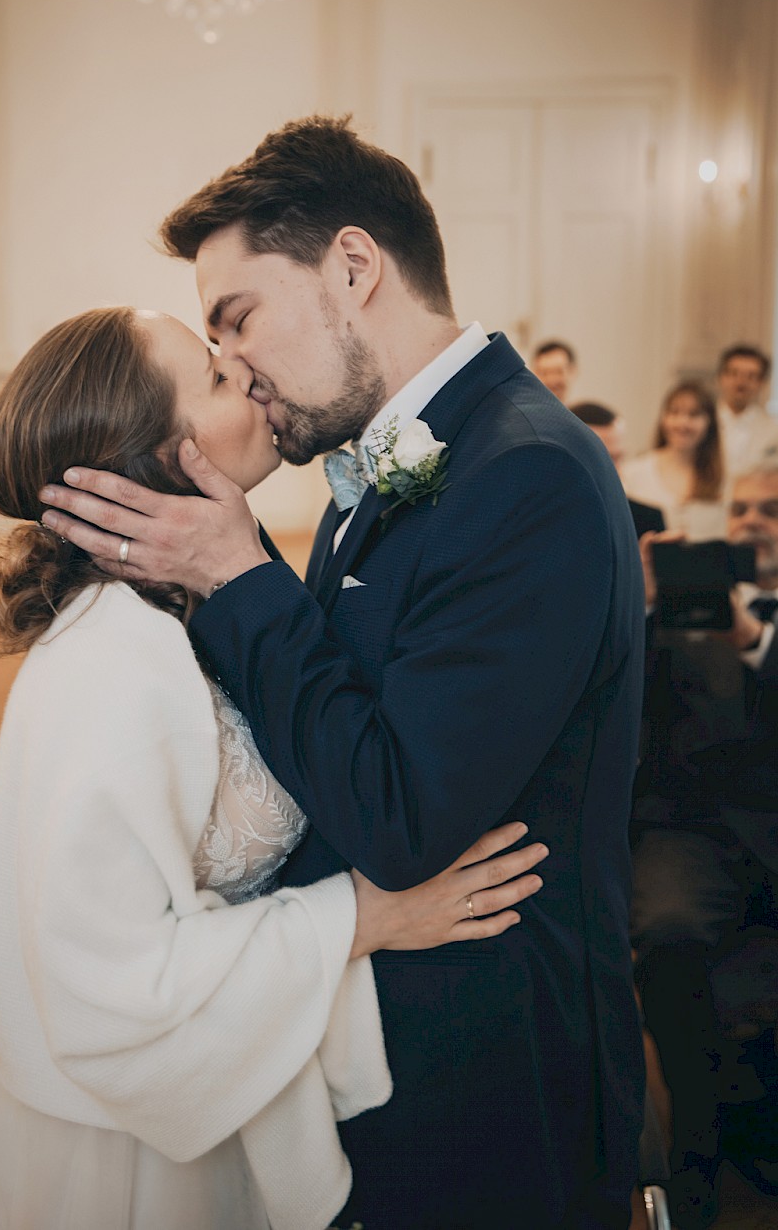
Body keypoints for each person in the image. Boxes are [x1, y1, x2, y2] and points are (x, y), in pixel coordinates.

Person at [40, 117, 648, 1230]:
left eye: (239, 320)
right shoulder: (390, 462)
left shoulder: (528, 477)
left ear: (353, 267)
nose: (235, 366)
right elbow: (325, 723)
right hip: (384, 1059)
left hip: (496, 1082)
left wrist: (235, 574)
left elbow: (400, 815)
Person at [0, 305, 545, 1230]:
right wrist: (366, 915)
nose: (250, 375)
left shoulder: (182, 610)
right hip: (121, 1160)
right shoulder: (119, 657)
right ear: (153, 457)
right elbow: (106, 988)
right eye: (219, 377)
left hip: (198, 1104)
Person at [632, 465, 778, 1227]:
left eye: (773, 509)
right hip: (696, 827)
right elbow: (631, 704)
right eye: (744, 508)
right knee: (669, 931)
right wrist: (646, 602)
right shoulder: (685, 606)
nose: (754, 521)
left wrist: (757, 642)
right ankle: (693, 1161)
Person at [619, 381, 727, 541]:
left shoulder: (725, 479)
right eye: (674, 413)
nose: (682, 423)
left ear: (710, 422)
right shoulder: (633, 472)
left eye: (694, 414)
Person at [570, 401, 666, 537]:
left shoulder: (647, 522)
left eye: (618, 458)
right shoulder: (542, 517)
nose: (618, 471)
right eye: (606, 459)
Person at [716, 343, 778, 480]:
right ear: (721, 377)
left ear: (762, 382)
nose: (741, 382)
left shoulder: (773, 430)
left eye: (751, 376)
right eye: (734, 373)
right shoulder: (703, 423)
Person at [531, 338, 577, 403]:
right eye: (544, 373)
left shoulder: (583, 412)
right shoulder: (521, 412)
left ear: (572, 371)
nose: (552, 380)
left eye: (558, 372)